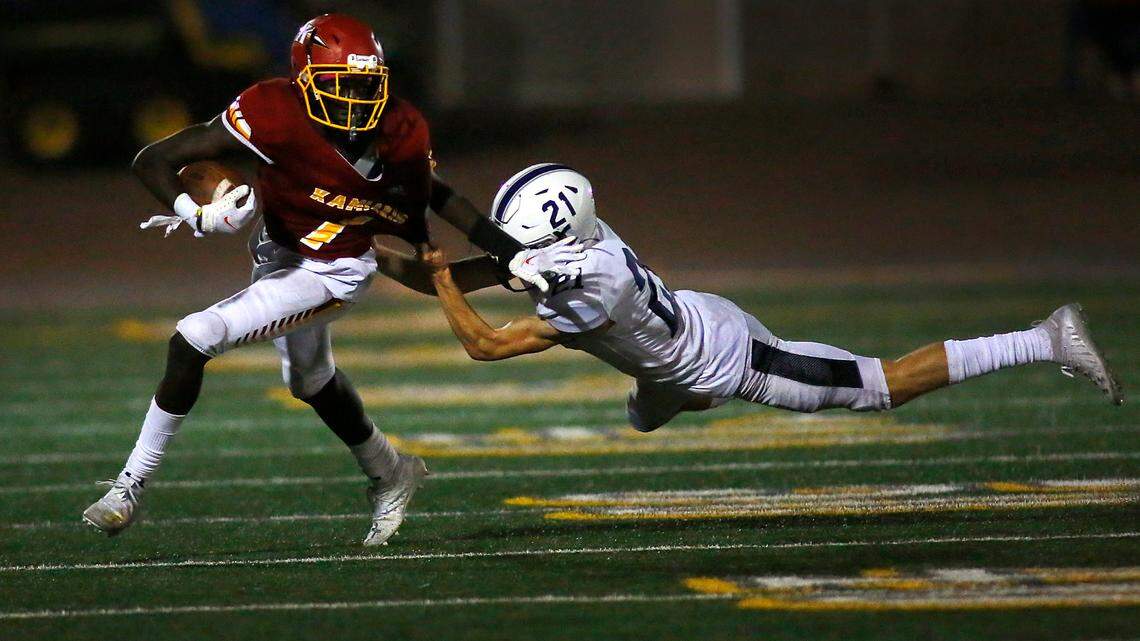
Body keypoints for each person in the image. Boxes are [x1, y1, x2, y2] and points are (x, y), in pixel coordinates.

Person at [82, 15, 567, 545]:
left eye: (366, 85)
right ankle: (391, 471)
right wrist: (194, 212)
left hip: (333, 271)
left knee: (195, 336)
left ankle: (129, 487)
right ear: (303, 79)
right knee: (310, 382)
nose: (357, 101)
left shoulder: (399, 130)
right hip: (277, 248)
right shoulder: (270, 109)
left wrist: (510, 252)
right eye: (341, 85)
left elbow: (440, 197)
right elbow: (156, 157)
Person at [393, 163, 1123, 434]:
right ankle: (674, 390)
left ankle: (1047, 336)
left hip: (731, 356)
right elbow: (459, 264)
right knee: (647, 415)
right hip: (683, 335)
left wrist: (444, 272)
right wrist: (362, 234)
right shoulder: (586, 243)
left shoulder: (588, 290)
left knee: (881, 386)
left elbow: (481, 342)